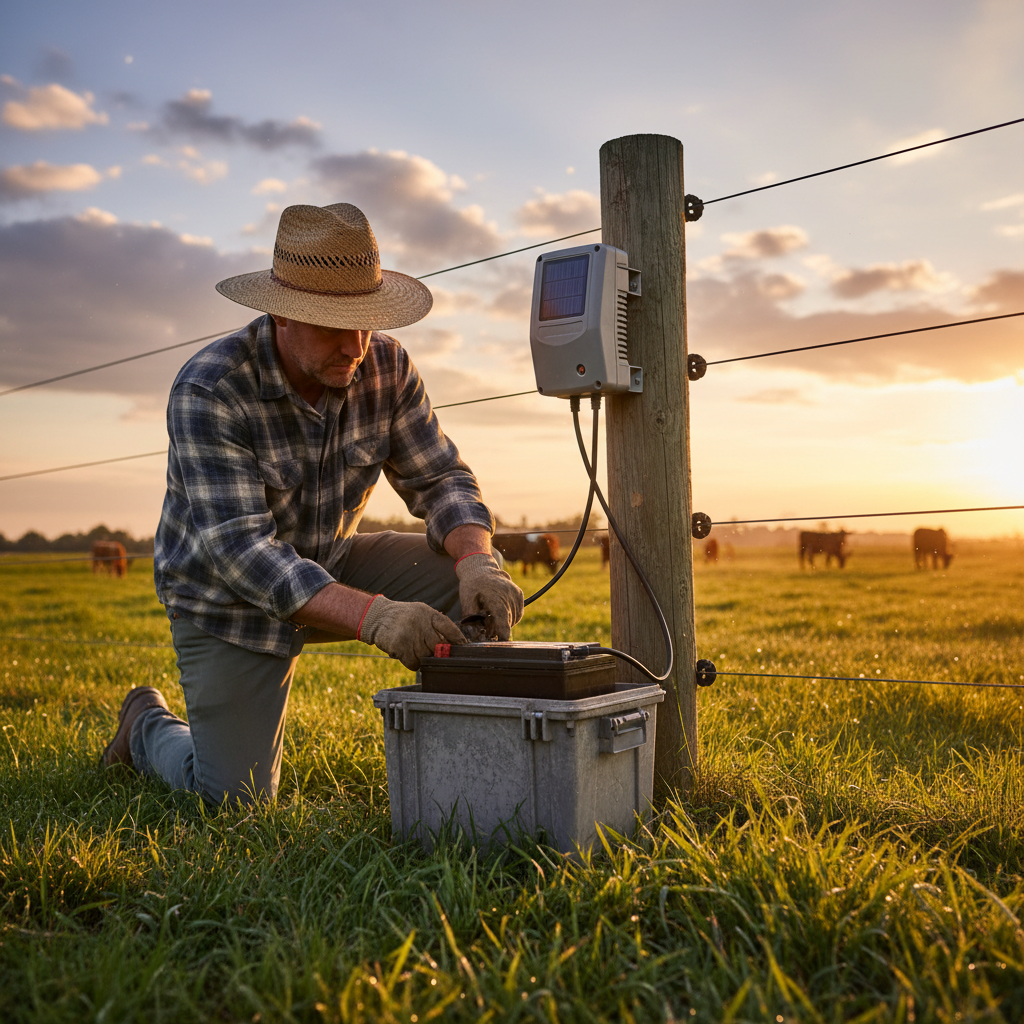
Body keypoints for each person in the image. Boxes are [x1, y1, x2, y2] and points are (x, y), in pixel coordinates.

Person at [100, 202, 524, 806]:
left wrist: (479, 561)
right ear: (280, 313)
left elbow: (441, 479)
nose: (355, 345)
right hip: (229, 601)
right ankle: (146, 728)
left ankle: (473, 766)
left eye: (367, 322)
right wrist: (374, 616)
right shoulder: (211, 389)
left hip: (331, 561)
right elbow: (242, 553)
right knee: (233, 805)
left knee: (472, 584)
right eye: (332, 325)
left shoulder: (387, 365)